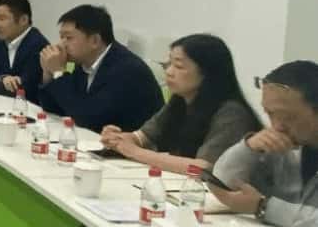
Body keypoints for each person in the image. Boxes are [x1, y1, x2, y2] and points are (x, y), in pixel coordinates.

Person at [100, 34, 260, 173]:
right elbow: (141, 137)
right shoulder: (180, 100)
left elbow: (203, 168)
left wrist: (135, 152)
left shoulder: (232, 114)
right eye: (168, 64)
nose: (169, 72)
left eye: (178, 66)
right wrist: (118, 139)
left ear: (207, 73)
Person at [211, 61, 318, 227]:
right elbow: (223, 182)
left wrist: (263, 207)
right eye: (269, 114)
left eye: (287, 117)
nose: (276, 126)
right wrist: (248, 148)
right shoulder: (283, 146)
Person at [37, 5, 163, 133]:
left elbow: (87, 120)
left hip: (134, 144)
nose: (61, 45)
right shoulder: (82, 62)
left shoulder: (127, 70)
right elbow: (54, 108)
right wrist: (48, 72)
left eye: (69, 38)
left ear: (95, 41)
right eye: (61, 37)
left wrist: (58, 72)